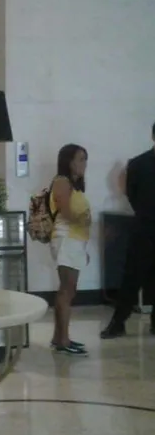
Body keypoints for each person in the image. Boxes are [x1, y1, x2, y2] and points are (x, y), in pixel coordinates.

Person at [101, 122, 155, 339]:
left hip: (144, 223)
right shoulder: (138, 163)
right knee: (132, 276)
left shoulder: (138, 163)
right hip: (145, 226)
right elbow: (131, 194)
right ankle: (118, 322)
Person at [49, 144, 91, 356]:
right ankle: (63, 340)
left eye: (85, 159)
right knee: (67, 290)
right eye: (80, 159)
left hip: (75, 241)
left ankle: (59, 337)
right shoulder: (62, 182)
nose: (84, 164)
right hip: (67, 239)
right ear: (69, 161)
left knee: (68, 290)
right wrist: (84, 219)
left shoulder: (74, 185)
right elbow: (65, 212)